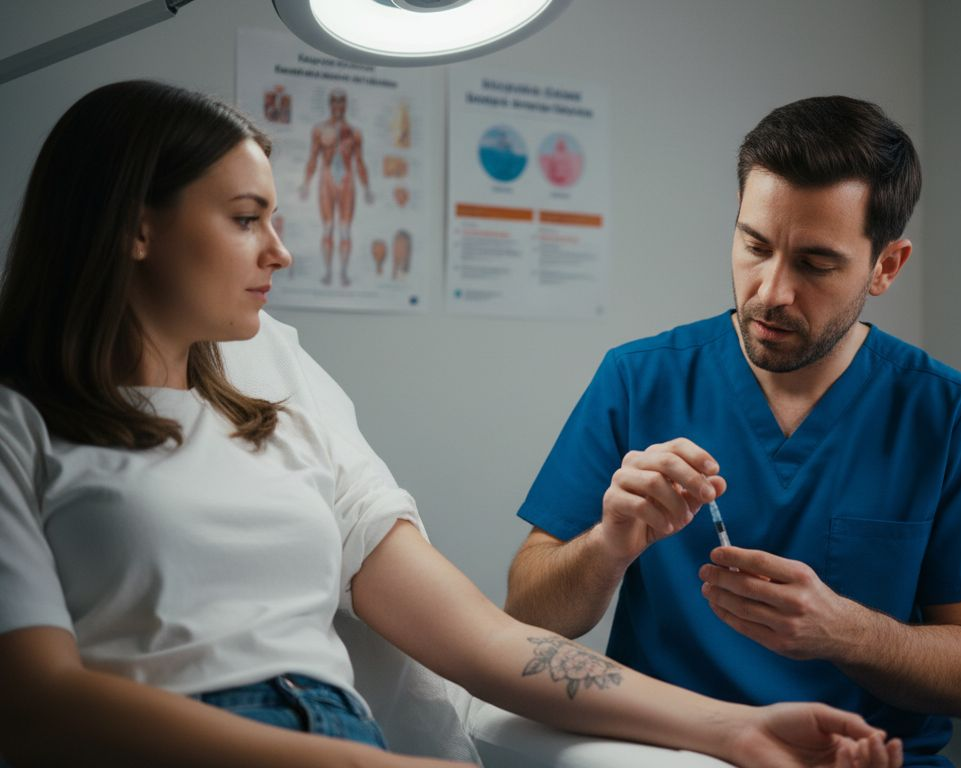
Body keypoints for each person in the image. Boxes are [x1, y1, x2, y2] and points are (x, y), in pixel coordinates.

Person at [0, 81, 904, 768]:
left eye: (274, 217)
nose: (280, 250)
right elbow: (37, 702)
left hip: (346, 730)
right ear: (135, 227)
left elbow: (482, 638)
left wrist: (737, 731)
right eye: (244, 220)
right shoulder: (20, 422)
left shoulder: (276, 373)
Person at [504, 96, 961, 767]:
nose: (771, 291)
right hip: (668, 754)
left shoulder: (946, 413)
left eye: (815, 264)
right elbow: (526, 618)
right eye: (755, 245)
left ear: (886, 267)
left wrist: (844, 632)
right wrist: (608, 544)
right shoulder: (640, 380)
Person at [299, 88, 373, 288]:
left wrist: (366, 187)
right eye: (335, 102)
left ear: (346, 104)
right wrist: (306, 183)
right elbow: (313, 158)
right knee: (328, 227)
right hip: (327, 178)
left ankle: (343, 273)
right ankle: (328, 272)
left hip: (347, 180)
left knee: (345, 229)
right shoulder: (319, 130)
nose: (338, 106)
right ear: (330, 104)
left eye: (342, 102)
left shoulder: (355, 132)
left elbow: (359, 161)